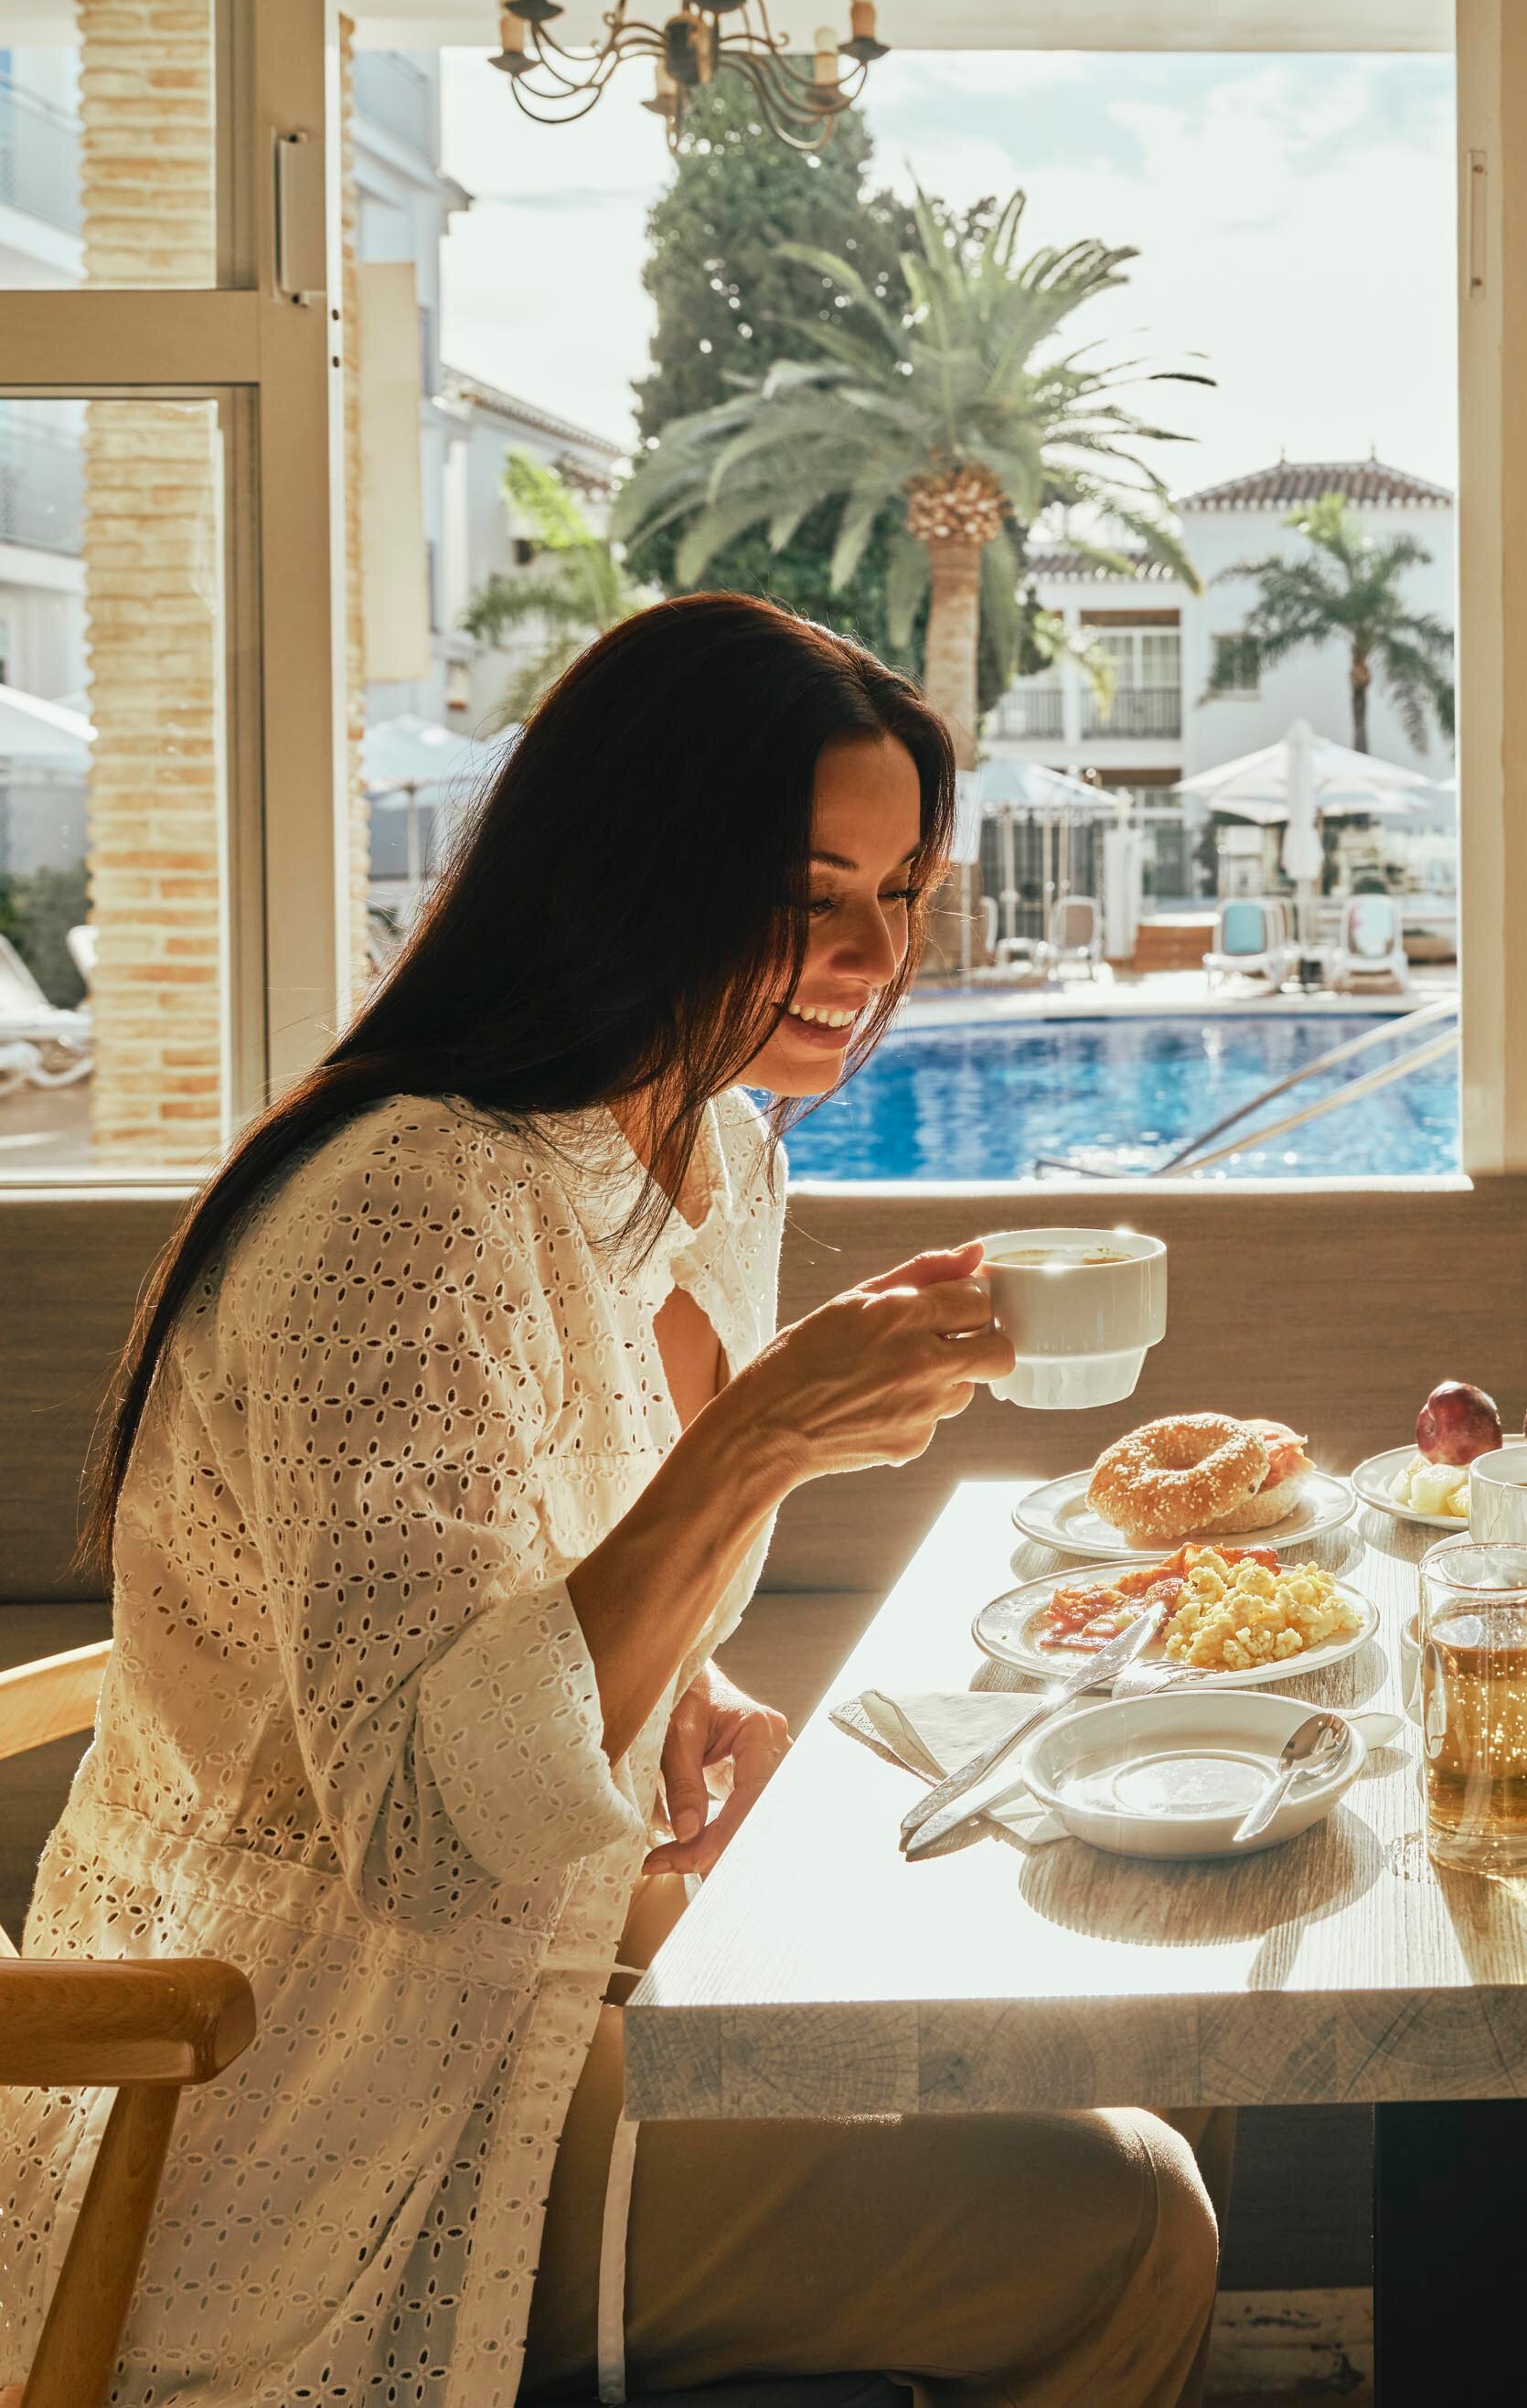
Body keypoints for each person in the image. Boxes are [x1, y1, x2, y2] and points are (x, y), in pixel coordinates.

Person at [0, 596, 1227, 2408]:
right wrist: (760, 1443)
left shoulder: (707, 1149)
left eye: (896, 893)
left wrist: (686, 1697)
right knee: (1128, 2206)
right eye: (804, 888)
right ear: (635, 864)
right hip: (308, 2096)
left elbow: (532, 1598)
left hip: (552, 1973)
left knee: (1084, 2019)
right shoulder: (408, 1209)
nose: (862, 951)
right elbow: (420, 1832)